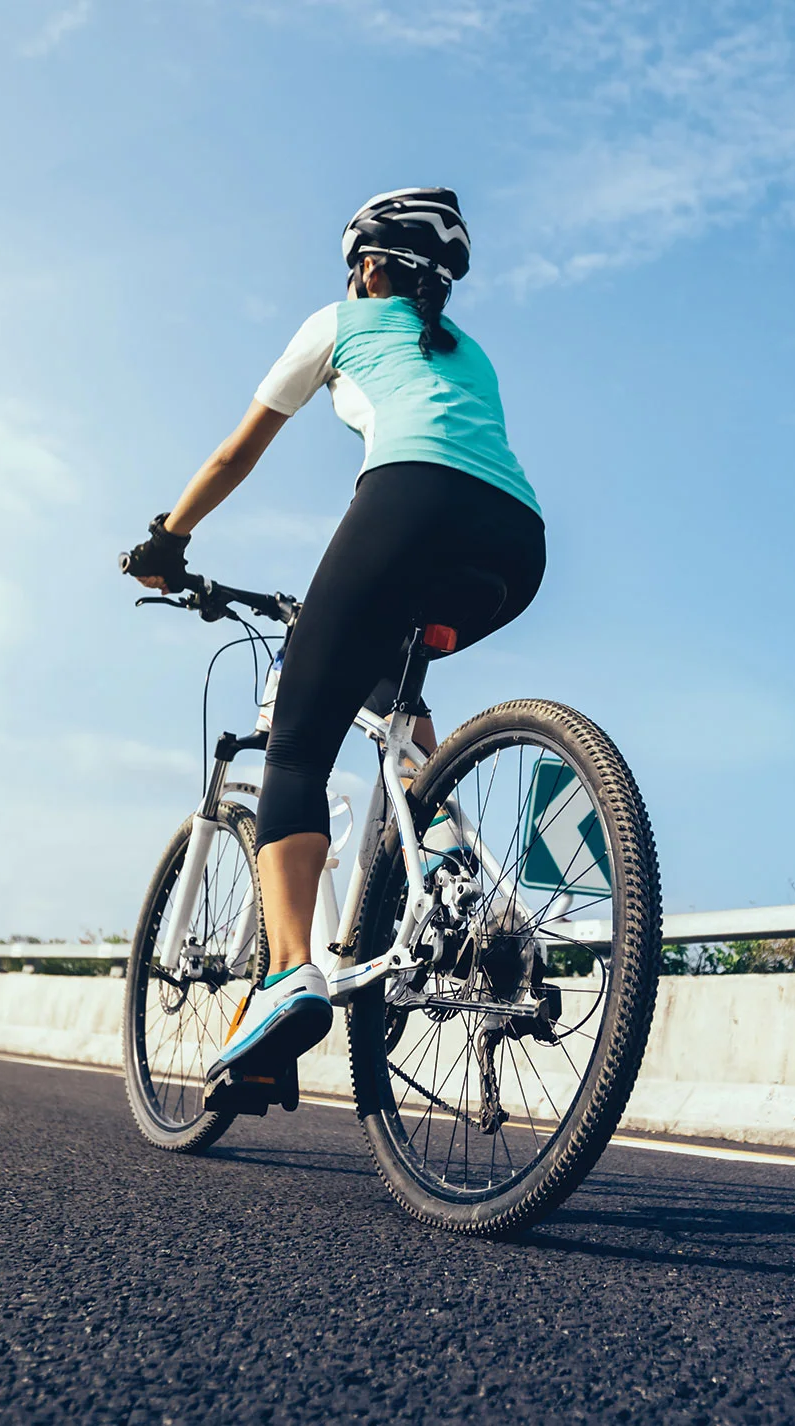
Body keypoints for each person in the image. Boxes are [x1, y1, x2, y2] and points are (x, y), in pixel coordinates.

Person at [121, 187, 544, 1082]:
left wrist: (168, 541)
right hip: (516, 541)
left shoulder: (339, 322)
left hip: (410, 503)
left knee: (296, 750)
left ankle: (285, 976)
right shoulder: (470, 353)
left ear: (367, 267)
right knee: (392, 685)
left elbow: (235, 452)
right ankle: (449, 872)